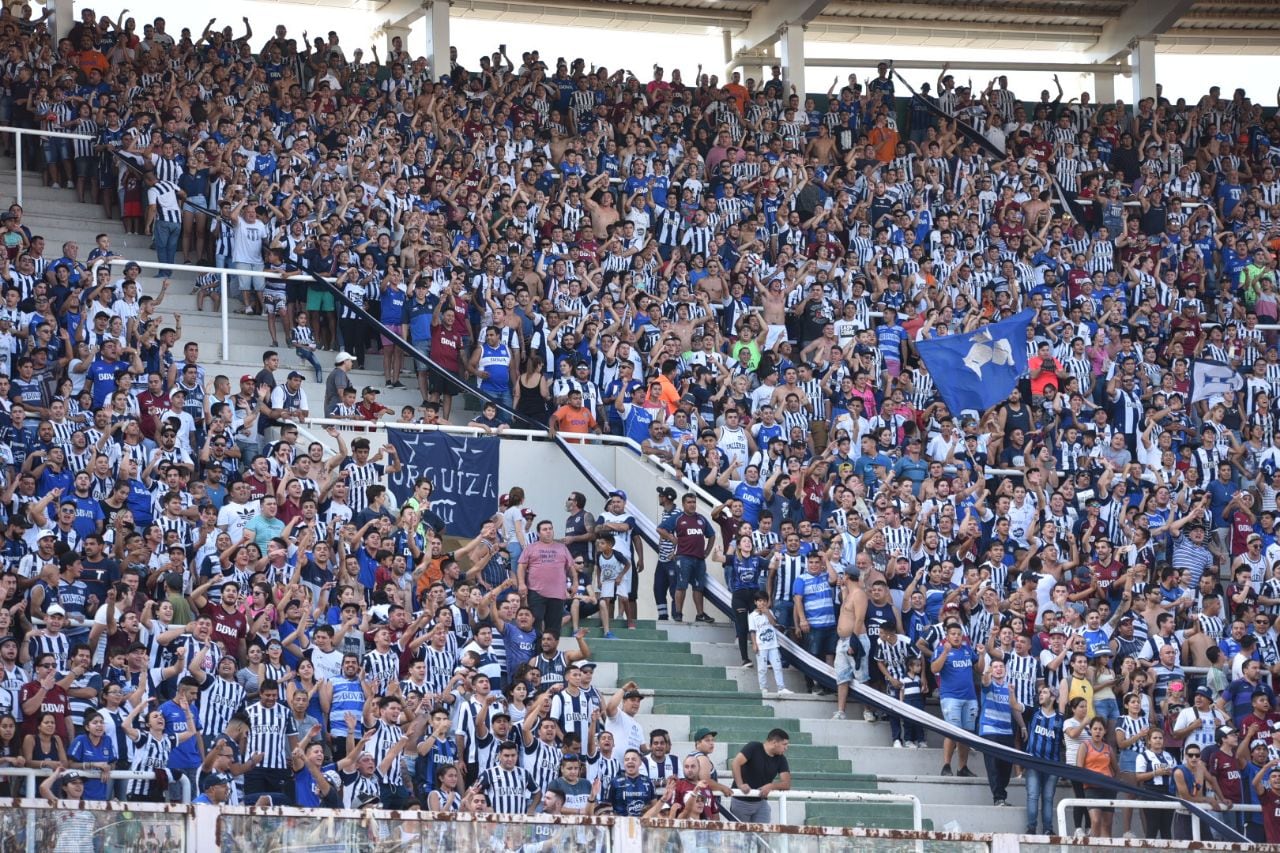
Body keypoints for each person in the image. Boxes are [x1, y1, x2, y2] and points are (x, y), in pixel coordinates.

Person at [728, 728, 791, 823]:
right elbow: (735, 763)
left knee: (763, 835)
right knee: (741, 836)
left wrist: (771, 786)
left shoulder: (781, 759)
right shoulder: (753, 747)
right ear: (775, 742)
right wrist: (740, 784)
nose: (786, 748)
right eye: (784, 744)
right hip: (741, 801)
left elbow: (786, 784)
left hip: (761, 803)